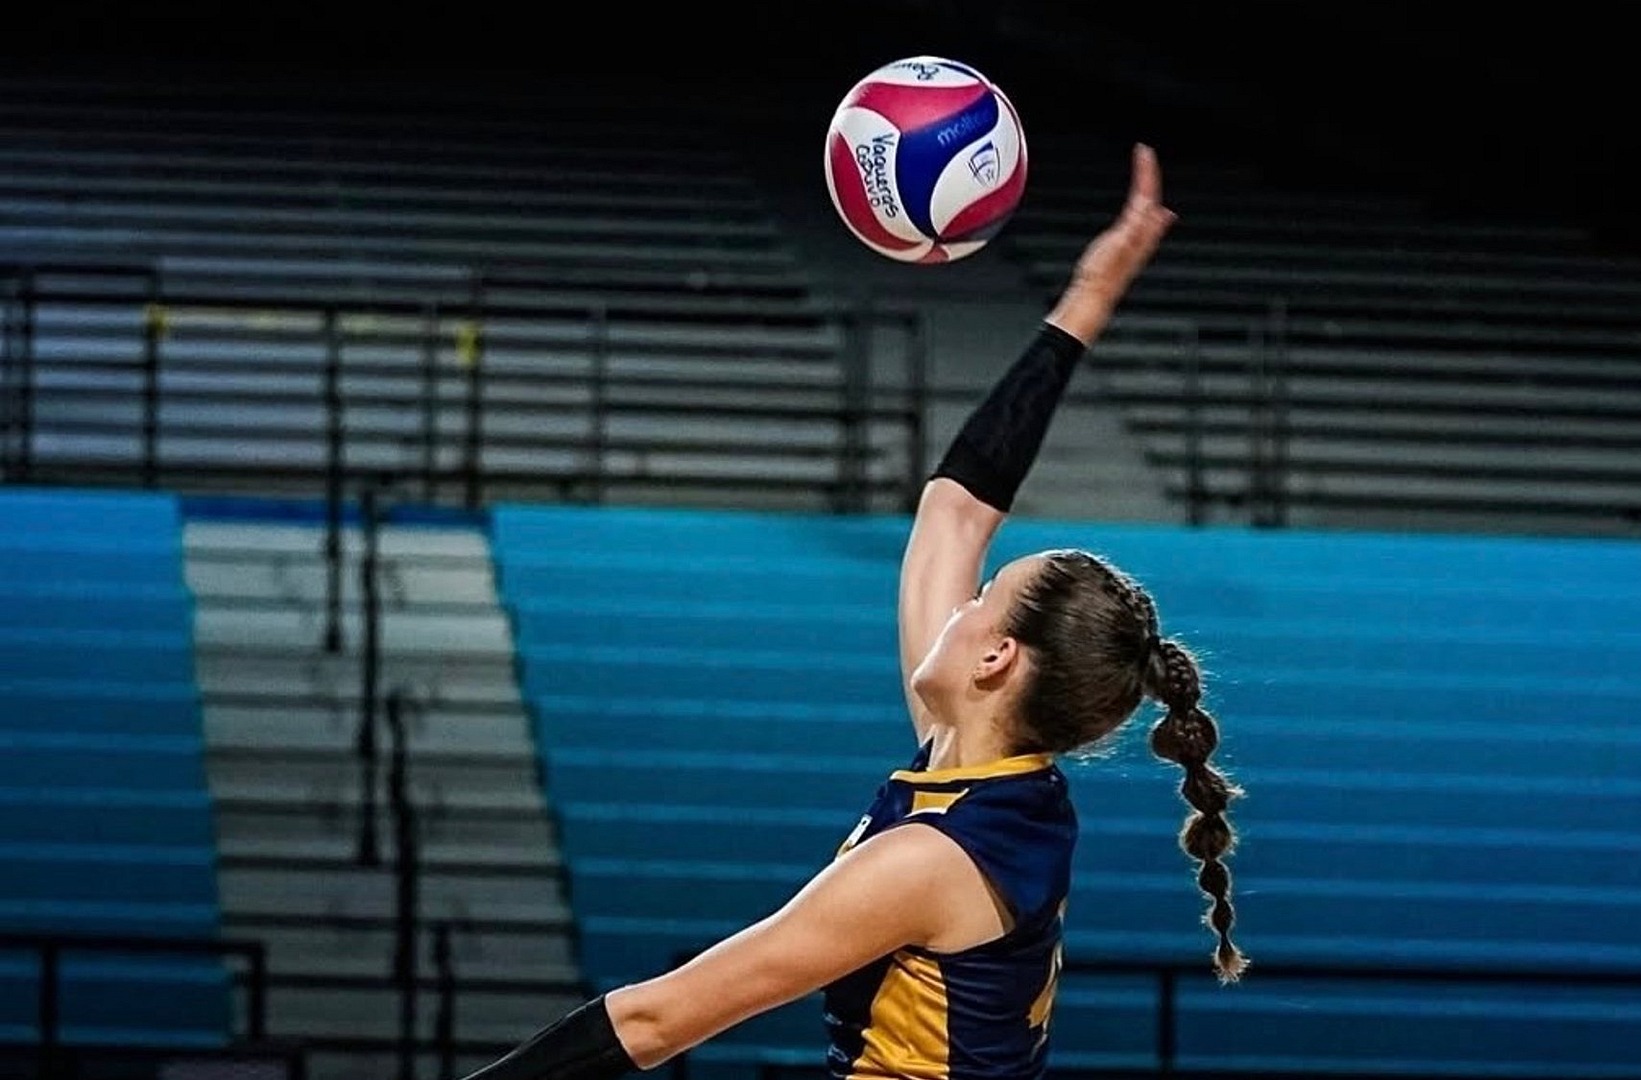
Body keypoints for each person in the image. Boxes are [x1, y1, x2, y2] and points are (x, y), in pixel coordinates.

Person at [462, 144, 1243, 1080]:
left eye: (984, 597)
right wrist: (1087, 296)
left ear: (997, 659)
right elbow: (956, 508)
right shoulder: (985, 774)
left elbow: (661, 1019)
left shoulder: (933, 859)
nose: (958, 600)